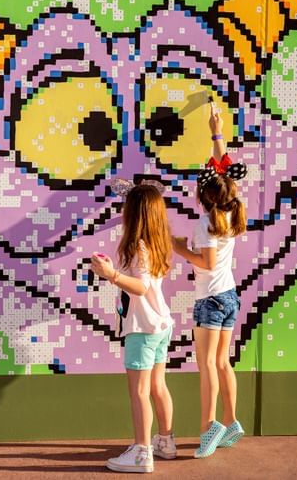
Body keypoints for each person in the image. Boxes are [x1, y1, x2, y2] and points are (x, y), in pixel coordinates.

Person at [172, 104, 247, 458]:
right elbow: (227, 171)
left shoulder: (205, 224)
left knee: (207, 368)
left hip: (211, 299)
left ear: (203, 197)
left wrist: (177, 247)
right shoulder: (233, 208)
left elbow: (206, 261)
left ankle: (208, 428)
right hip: (229, 295)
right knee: (222, 363)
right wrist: (216, 132)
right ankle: (231, 422)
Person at [91, 181, 177, 473]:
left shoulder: (139, 246)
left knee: (139, 392)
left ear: (134, 213)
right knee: (157, 386)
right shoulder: (157, 243)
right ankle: (164, 442)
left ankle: (142, 453)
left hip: (142, 328)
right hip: (160, 324)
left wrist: (111, 274)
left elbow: (140, 287)